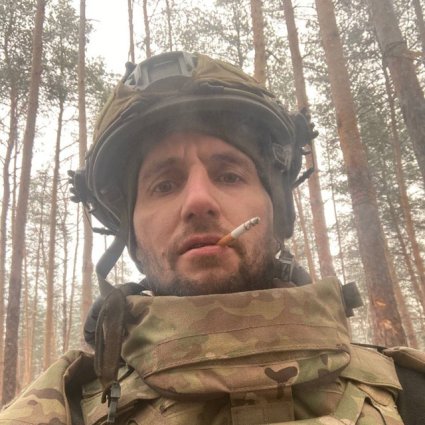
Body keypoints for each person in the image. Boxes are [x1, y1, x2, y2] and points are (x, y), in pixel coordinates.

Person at [1, 51, 424, 425]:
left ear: (277, 211)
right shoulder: (62, 407)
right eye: (164, 185)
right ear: (131, 234)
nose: (198, 201)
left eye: (229, 175)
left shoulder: (411, 393)